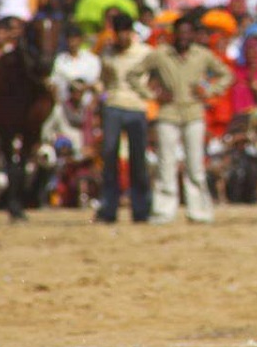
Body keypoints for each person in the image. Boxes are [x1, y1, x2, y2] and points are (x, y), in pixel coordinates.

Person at [126, 16, 233, 224]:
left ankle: (199, 212)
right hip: (168, 113)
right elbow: (133, 75)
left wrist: (209, 91)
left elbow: (226, 74)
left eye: (188, 33)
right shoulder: (160, 54)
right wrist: (152, 95)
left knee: (195, 165)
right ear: (173, 34)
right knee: (166, 164)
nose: (184, 37)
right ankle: (164, 212)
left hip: (194, 113)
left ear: (193, 35)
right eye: (180, 33)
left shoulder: (202, 55)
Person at [95, 13, 153, 224]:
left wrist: (153, 95)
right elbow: (102, 80)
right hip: (112, 107)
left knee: (138, 160)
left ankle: (141, 210)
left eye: (126, 32)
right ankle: (109, 208)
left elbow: (157, 76)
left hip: (137, 107)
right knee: (110, 158)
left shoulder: (145, 53)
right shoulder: (107, 53)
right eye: (119, 33)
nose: (122, 37)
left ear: (131, 32)